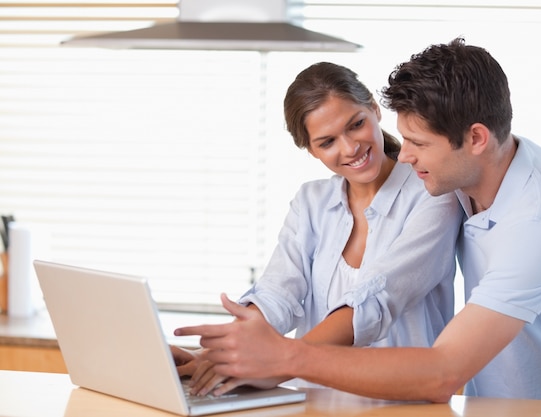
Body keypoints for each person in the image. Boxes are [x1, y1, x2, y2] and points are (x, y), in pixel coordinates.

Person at [175, 38, 541, 403]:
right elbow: (280, 289)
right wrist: (223, 355)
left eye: (418, 144)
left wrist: (281, 359)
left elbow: (441, 370)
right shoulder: (475, 174)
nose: (403, 155)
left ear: (475, 139)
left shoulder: (537, 226)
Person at [172, 62, 462, 396]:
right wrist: (215, 357)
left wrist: (279, 361)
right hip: (312, 401)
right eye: (327, 142)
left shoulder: (432, 194)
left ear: (373, 108)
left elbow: (378, 299)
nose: (350, 148)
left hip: (403, 402)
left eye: (356, 125)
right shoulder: (312, 201)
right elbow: (277, 294)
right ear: (310, 149)